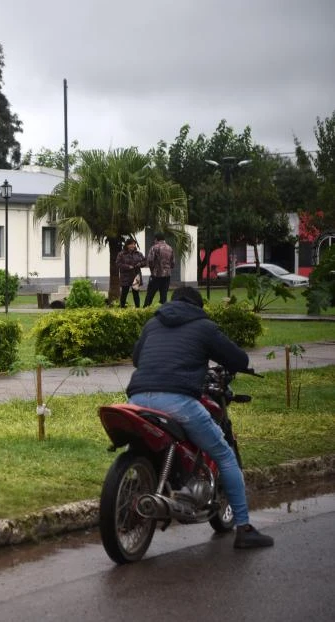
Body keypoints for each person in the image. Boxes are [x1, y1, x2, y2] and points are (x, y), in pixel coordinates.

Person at [126, 285, 274, 549]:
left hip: (137, 400)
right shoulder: (204, 326)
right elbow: (238, 359)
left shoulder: (152, 324)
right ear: (197, 307)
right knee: (225, 455)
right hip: (177, 401)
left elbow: (137, 359)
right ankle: (244, 528)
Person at [143, 233, 174, 306]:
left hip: (156, 274)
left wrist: (152, 270)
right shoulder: (170, 248)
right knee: (164, 294)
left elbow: (150, 261)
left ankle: (146, 308)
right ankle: (163, 309)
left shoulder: (154, 248)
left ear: (156, 239)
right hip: (167, 275)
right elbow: (172, 262)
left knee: (150, 293)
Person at [115, 238, 147, 308]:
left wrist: (140, 264)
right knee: (124, 293)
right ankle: (122, 308)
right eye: (131, 244)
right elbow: (118, 264)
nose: (133, 245)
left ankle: (137, 309)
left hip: (136, 276)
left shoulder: (138, 253)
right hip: (125, 277)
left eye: (134, 244)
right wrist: (128, 267)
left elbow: (145, 261)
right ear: (127, 245)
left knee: (136, 293)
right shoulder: (121, 254)